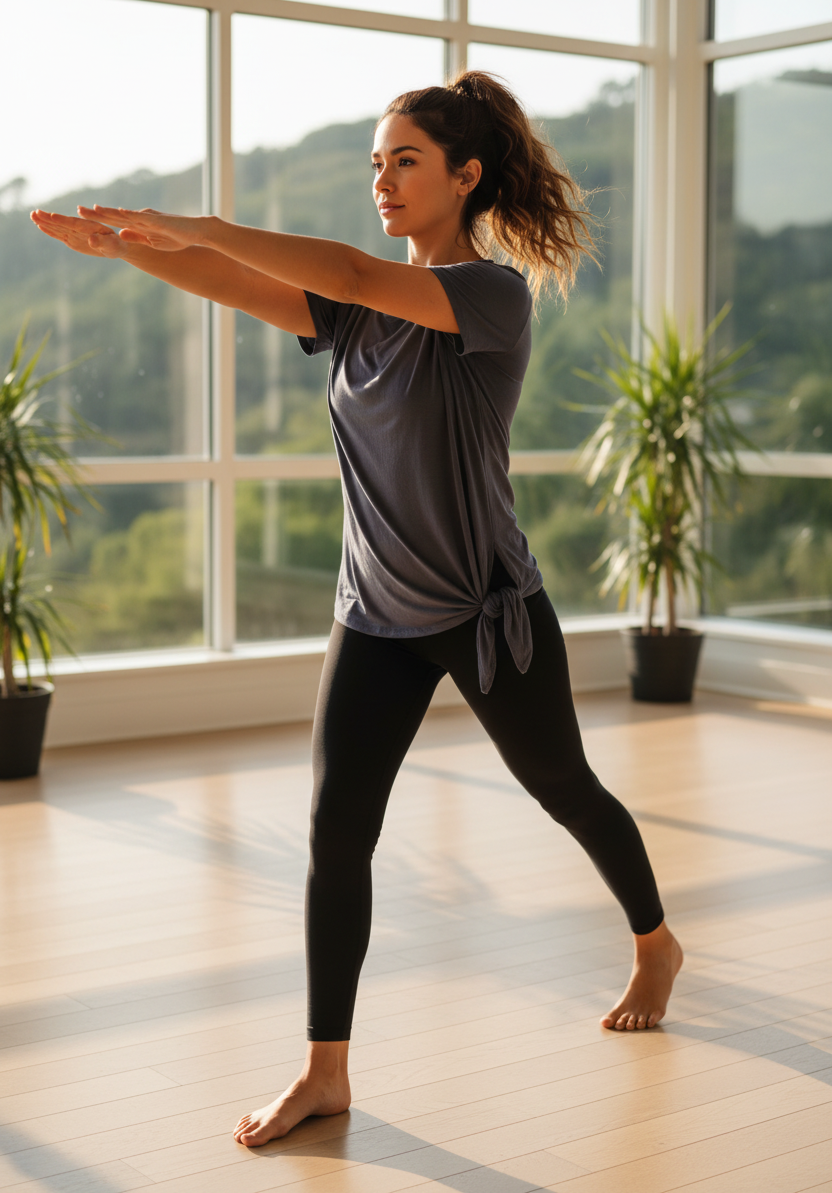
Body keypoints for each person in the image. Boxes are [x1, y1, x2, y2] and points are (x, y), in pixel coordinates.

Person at [31, 69, 683, 1148]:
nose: (381, 180)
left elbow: (334, 265)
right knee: (339, 832)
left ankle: (654, 940)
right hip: (375, 611)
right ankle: (324, 1071)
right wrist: (130, 250)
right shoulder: (354, 312)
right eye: (374, 163)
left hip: (484, 613)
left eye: (405, 161)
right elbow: (241, 286)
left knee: (563, 786)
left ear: (466, 177)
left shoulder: (489, 295)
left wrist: (184, 219)